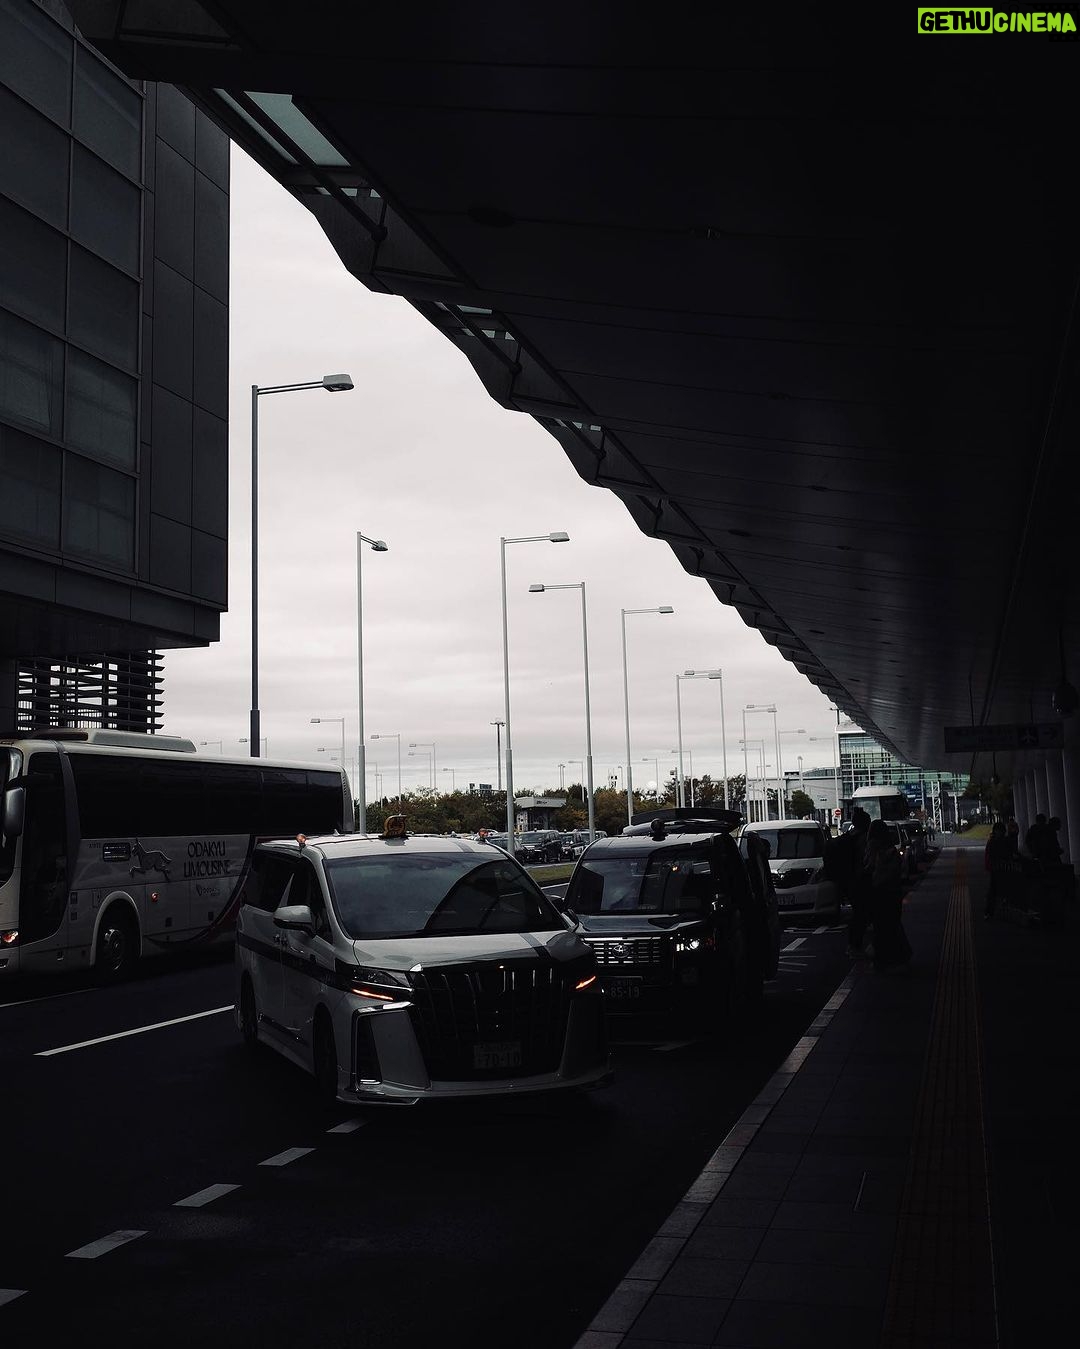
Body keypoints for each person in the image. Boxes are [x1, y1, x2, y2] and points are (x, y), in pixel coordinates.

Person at [863, 818, 911, 971]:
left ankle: (883, 959)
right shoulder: (892, 851)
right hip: (893, 893)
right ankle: (899, 957)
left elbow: (868, 869)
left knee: (880, 928)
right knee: (893, 925)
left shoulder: (872, 849)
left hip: (878, 894)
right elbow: (899, 871)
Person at [824, 808, 871, 956]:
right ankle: (855, 946)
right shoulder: (861, 839)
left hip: (845, 880)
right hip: (857, 881)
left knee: (858, 913)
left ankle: (854, 946)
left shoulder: (846, 838)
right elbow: (863, 861)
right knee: (861, 914)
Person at [983, 821, 1011, 918]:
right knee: (994, 889)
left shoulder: (995, 841)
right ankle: (990, 911)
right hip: (997, 868)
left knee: (994, 889)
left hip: (999, 867)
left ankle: (991, 911)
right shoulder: (995, 841)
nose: (1000, 833)